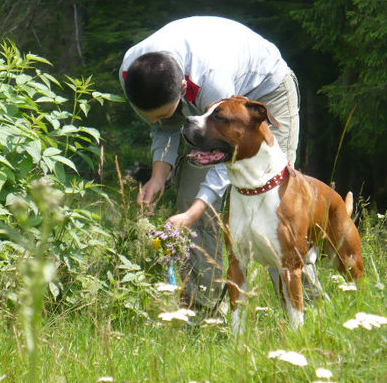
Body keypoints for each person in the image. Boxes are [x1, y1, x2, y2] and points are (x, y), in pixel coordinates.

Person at [119, 16, 319, 313]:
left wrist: (196, 209)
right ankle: (204, 314)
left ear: (183, 88)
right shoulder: (132, 73)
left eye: (163, 113)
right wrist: (159, 177)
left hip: (267, 89)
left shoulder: (211, 80)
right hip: (207, 108)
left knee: (279, 210)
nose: (154, 121)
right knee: (191, 207)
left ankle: (306, 312)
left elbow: (226, 160)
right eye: (149, 115)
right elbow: (164, 127)